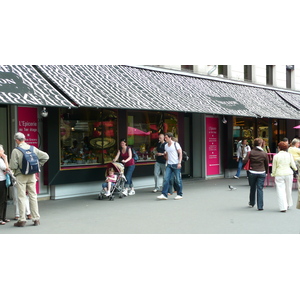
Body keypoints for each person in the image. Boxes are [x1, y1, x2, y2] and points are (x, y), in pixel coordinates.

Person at [9, 132, 49, 227]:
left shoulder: (16, 150)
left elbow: (13, 165)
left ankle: (22, 220)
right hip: (32, 175)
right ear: (25, 139)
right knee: (33, 196)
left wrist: (15, 173)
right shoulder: (33, 148)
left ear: (17, 140)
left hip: (21, 176)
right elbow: (46, 156)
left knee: (21, 197)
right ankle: (36, 219)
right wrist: (38, 166)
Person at [243, 138, 268, 210]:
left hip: (252, 172)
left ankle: (251, 202)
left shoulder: (250, 152)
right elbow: (266, 164)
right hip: (261, 172)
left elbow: (245, 161)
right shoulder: (264, 153)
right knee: (260, 189)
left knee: (252, 187)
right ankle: (260, 206)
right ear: (261, 144)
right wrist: (266, 172)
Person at [271, 142, 297, 212]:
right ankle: (288, 203)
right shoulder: (289, 155)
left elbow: (274, 167)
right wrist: (295, 169)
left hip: (279, 174)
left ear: (279, 148)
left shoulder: (276, 156)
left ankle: (283, 207)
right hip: (288, 173)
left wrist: (273, 174)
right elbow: (293, 165)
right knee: (288, 189)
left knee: (280, 191)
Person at [157, 132, 183, 200]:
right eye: (165, 138)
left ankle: (179, 194)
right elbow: (167, 154)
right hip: (169, 164)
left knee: (177, 180)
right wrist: (166, 159)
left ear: (170, 138)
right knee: (166, 179)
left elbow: (180, 153)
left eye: (166, 137)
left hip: (176, 164)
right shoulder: (166, 146)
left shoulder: (176, 144)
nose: (165, 139)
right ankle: (164, 194)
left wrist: (179, 163)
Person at [288, 138, 300, 208]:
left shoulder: (289, 149)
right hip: (297, 163)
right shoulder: (296, 149)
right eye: (298, 143)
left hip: (292, 164)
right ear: (296, 143)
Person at [0, 144, 10, 225]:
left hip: (1, 180)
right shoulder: (0, 160)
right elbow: (7, 168)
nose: (3, 151)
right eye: (2, 150)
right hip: (1, 180)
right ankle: (1, 218)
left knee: (3, 200)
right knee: (2, 199)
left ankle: (3, 217)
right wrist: (5, 159)